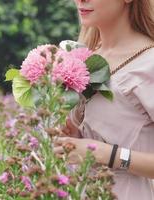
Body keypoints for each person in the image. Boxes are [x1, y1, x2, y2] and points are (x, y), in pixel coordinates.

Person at [53, 0, 154, 199]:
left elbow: (100, 150)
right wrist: (73, 133)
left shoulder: (148, 64)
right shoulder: (84, 58)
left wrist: (104, 153)